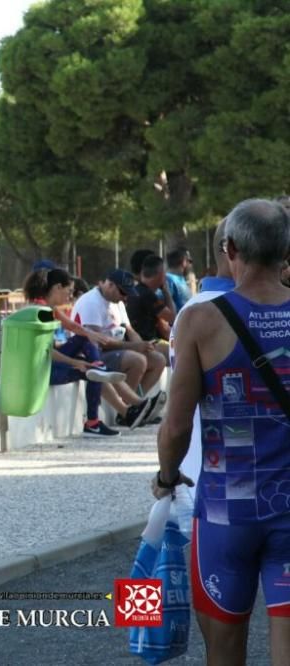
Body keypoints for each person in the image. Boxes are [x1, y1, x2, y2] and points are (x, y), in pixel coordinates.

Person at [154, 198, 290, 665]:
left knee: (224, 647)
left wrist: (166, 475)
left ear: (228, 247)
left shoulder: (200, 319)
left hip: (225, 513)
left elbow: (175, 426)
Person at [168, 217, 234, 488]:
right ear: (232, 250)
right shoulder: (211, 312)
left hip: (206, 475)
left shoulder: (195, 310)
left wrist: (167, 473)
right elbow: (178, 420)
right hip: (218, 478)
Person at [23, 268, 127, 437]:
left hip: (46, 362)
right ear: (57, 287)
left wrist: (91, 334)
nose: (70, 296)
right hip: (41, 371)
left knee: (85, 338)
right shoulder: (41, 312)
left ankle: (98, 368)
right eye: (68, 291)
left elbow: (73, 327)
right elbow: (47, 353)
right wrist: (76, 363)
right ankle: (92, 422)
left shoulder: (49, 308)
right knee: (88, 372)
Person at [71, 269, 167, 428]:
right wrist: (134, 347)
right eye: (123, 292)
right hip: (92, 353)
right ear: (109, 285)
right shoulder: (91, 302)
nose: (125, 297)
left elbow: (129, 330)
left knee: (158, 359)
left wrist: (144, 346)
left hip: (113, 350)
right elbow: (97, 341)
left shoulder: (118, 303)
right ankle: (130, 410)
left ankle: (136, 410)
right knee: (137, 360)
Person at [125, 255, 176, 347]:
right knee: (178, 350)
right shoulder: (147, 295)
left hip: (137, 341)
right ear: (161, 274)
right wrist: (166, 291)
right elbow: (171, 317)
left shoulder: (137, 290)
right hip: (147, 342)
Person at [165, 247, 194, 311]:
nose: (191, 265)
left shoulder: (177, 280)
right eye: (190, 261)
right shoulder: (168, 280)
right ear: (184, 261)